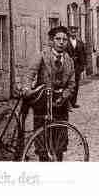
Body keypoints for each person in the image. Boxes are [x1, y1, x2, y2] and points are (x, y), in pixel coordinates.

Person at [22, 26, 76, 161]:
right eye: (58, 39)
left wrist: (65, 95)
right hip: (43, 101)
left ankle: (58, 161)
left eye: (64, 39)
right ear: (52, 41)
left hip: (61, 102)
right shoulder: (42, 56)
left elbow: (72, 83)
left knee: (60, 139)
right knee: (42, 138)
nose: (61, 42)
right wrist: (27, 89)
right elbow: (30, 74)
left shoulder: (69, 60)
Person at [66, 26, 86, 109]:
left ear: (76, 33)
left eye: (75, 32)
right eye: (72, 32)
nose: (73, 33)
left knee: (76, 85)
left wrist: (83, 66)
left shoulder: (80, 43)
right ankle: (67, 103)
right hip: (68, 67)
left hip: (77, 67)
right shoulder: (66, 43)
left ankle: (73, 102)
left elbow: (83, 54)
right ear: (69, 33)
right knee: (68, 84)